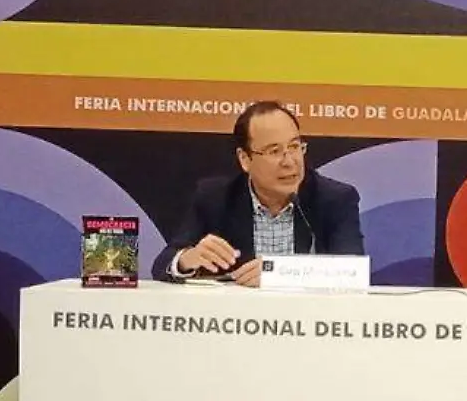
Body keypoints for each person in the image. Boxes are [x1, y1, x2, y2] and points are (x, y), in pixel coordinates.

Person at [152, 101, 365, 287]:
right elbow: (162, 265)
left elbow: (352, 272)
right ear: (245, 159)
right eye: (274, 151)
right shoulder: (216, 199)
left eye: (294, 146)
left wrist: (278, 273)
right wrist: (187, 259)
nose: (290, 162)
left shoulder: (334, 199)